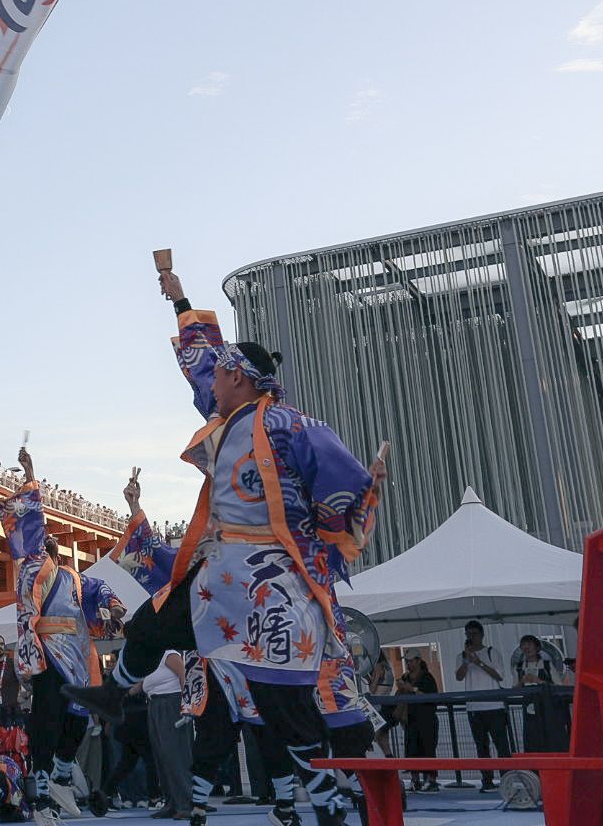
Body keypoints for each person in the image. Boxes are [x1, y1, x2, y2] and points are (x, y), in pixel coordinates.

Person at [65, 270, 378, 826]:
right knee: (152, 621)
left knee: (281, 704)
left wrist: (337, 523)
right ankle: (115, 693)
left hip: (272, 578)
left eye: (223, 373)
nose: (213, 380)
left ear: (240, 376)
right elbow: (201, 360)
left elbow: (345, 482)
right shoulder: (225, 422)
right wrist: (178, 298)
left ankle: (329, 801)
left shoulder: (288, 424)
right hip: (222, 572)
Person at [0, 447, 124, 822]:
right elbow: (34, 520)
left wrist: (114, 607)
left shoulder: (73, 577)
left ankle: (62, 776)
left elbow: (100, 588)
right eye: (43, 541)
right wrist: (30, 471)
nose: (45, 542)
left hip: (79, 655)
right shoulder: (35, 567)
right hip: (48, 650)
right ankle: (42, 789)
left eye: (48, 542)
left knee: (78, 719)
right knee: (47, 717)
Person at [455, 620, 510, 792]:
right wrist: (466, 660)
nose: (471, 637)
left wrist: (478, 662)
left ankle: (507, 778)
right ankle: (487, 779)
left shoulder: (492, 652)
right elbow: (459, 677)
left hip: (494, 706)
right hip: (474, 708)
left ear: (481, 634)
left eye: (474, 634)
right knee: (481, 746)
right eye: (468, 634)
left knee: (501, 745)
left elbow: (500, 676)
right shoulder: (461, 656)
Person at [140, 651, 192, 820]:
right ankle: (171, 802)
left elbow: (183, 674)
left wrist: (187, 704)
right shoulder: (149, 657)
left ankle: (186, 804)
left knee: (175, 754)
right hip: (154, 703)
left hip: (171, 702)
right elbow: (142, 684)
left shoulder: (168, 653)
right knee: (161, 756)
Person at [395, 656, 438, 793]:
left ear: (419, 661)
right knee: (411, 748)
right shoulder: (405, 677)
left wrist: (412, 689)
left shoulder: (427, 677)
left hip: (426, 718)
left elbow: (431, 697)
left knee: (428, 748)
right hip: (410, 719)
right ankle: (415, 780)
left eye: (411, 660)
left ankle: (431, 780)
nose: (408, 663)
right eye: (407, 661)